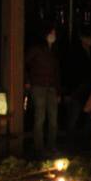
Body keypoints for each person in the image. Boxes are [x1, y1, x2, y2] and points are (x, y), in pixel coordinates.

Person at [25, 27, 62, 156]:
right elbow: (25, 64)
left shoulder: (55, 51)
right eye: (52, 33)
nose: (54, 35)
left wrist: (58, 91)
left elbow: (57, 72)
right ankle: (39, 147)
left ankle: (51, 146)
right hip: (38, 86)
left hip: (51, 87)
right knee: (40, 117)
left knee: (53, 119)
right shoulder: (36, 49)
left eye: (55, 33)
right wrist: (28, 81)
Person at [61, 28, 91, 141]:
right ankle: (70, 137)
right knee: (75, 112)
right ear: (83, 39)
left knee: (89, 112)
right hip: (78, 86)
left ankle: (85, 136)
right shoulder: (75, 52)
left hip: (89, 86)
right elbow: (70, 70)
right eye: (89, 38)